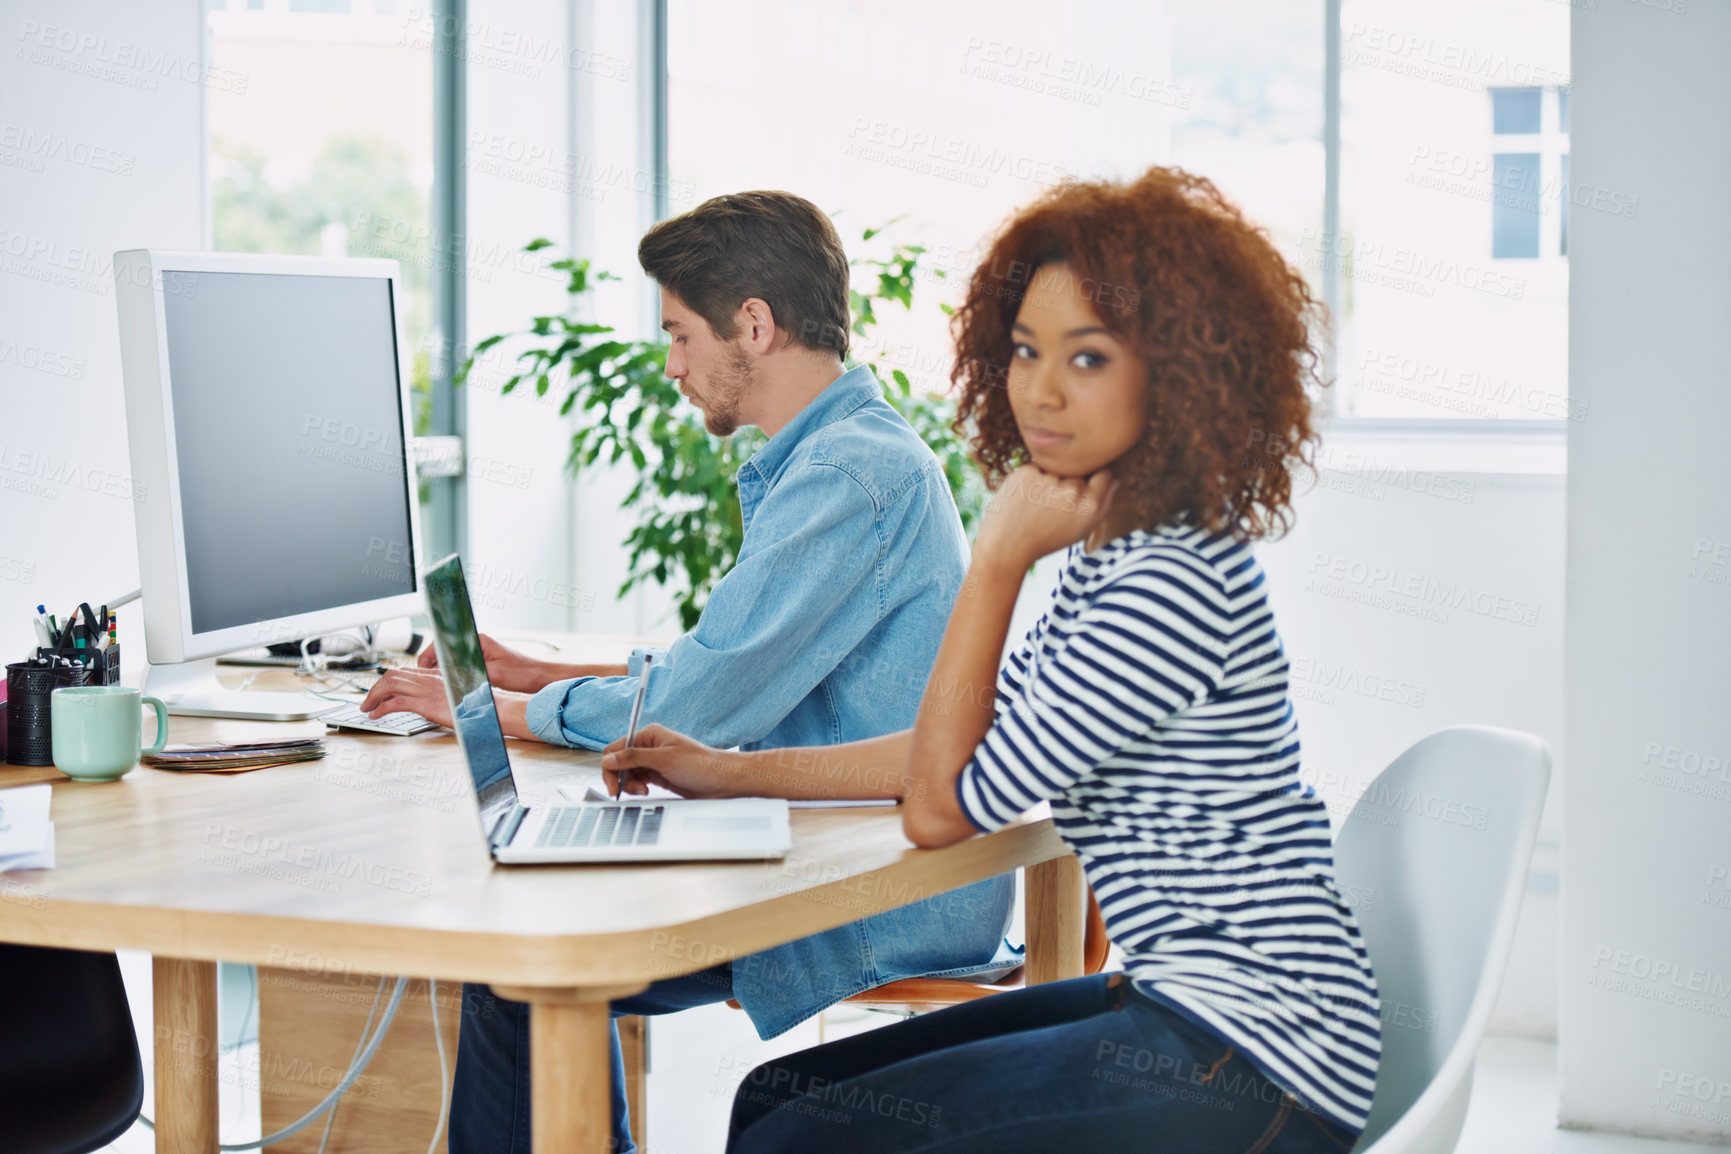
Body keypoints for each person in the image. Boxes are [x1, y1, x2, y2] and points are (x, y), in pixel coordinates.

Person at [602, 167, 1383, 1152]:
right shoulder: (1122, 555)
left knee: (796, 1138)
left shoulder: (1167, 581)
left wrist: (1000, 555)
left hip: (1254, 1057)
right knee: (779, 1097)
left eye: (1089, 358)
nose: (1041, 390)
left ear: (1181, 372)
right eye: (1024, 350)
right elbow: (951, 744)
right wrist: (723, 770)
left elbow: (939, 807)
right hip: (1183, 1007)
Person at [363, 191, 1016, 1154]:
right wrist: (545, 669)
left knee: (521, 966)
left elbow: (697, 705)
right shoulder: (842, 455)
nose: (670, 367)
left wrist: (498, 709)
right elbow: (729, 661)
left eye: (678, 335)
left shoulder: (846, 477)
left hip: (890, 897)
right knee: (544, 935)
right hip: (871, 858)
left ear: (752, 324)